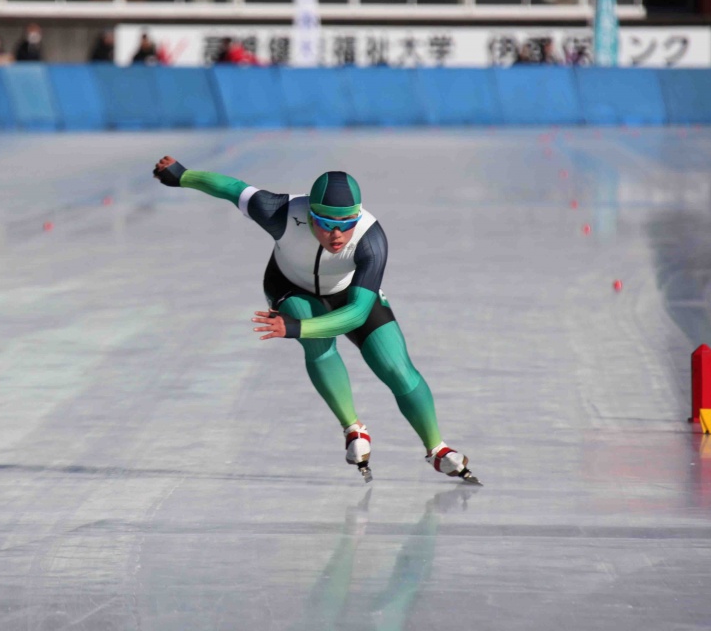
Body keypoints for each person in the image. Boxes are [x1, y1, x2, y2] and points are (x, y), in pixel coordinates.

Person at [151, 157, 480, 485]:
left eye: (346, 222)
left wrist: (294, 329)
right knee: (319, 345)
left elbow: (356, 315)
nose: (337, 235)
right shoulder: (280, 211)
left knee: (396, 367)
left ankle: (437, 449)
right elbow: (231, 189)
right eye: (325, 222)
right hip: (290, 287)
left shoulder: (371, 239)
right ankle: (353, 427)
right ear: (309, 213)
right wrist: (183, 176)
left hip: (349, 294)